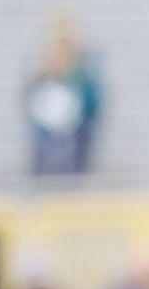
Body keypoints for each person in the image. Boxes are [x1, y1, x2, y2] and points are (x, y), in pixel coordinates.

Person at [25, 16, 103, 176]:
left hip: (77, 121)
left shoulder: (84, 69)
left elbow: (92, 102)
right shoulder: (42, 70)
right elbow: (32, 99)